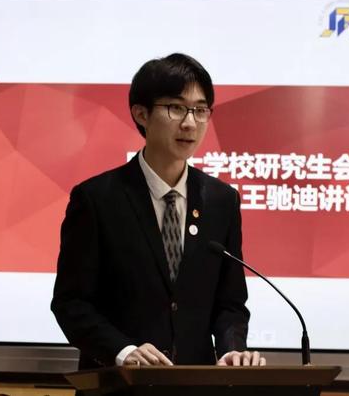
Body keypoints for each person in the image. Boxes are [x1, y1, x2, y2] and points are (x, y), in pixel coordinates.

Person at [51, 53, 265, 369]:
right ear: (141, 114)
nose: (190, 123)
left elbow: (230, 303)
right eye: (176, 108)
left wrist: (231, 349)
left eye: (200, 110)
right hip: (118, 384)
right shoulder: (96, 199)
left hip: (194, 383)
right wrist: (122, 351)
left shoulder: (221, 201)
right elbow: (71, 303)